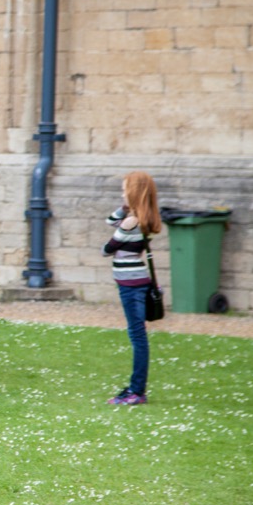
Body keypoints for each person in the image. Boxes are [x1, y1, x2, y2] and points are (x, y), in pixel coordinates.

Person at [102, 172, 161, 405]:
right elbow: (110, 221)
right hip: (139, 280)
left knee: (137, 336)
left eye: (124, 190)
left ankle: (137, 391)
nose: (122, 194)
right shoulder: (143, 220)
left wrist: (125, 216)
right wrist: (125, 207)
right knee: (137, 334)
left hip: (130, 284)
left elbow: (106, 249)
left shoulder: (130, 223)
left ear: (134, 192)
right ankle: (135, 388)